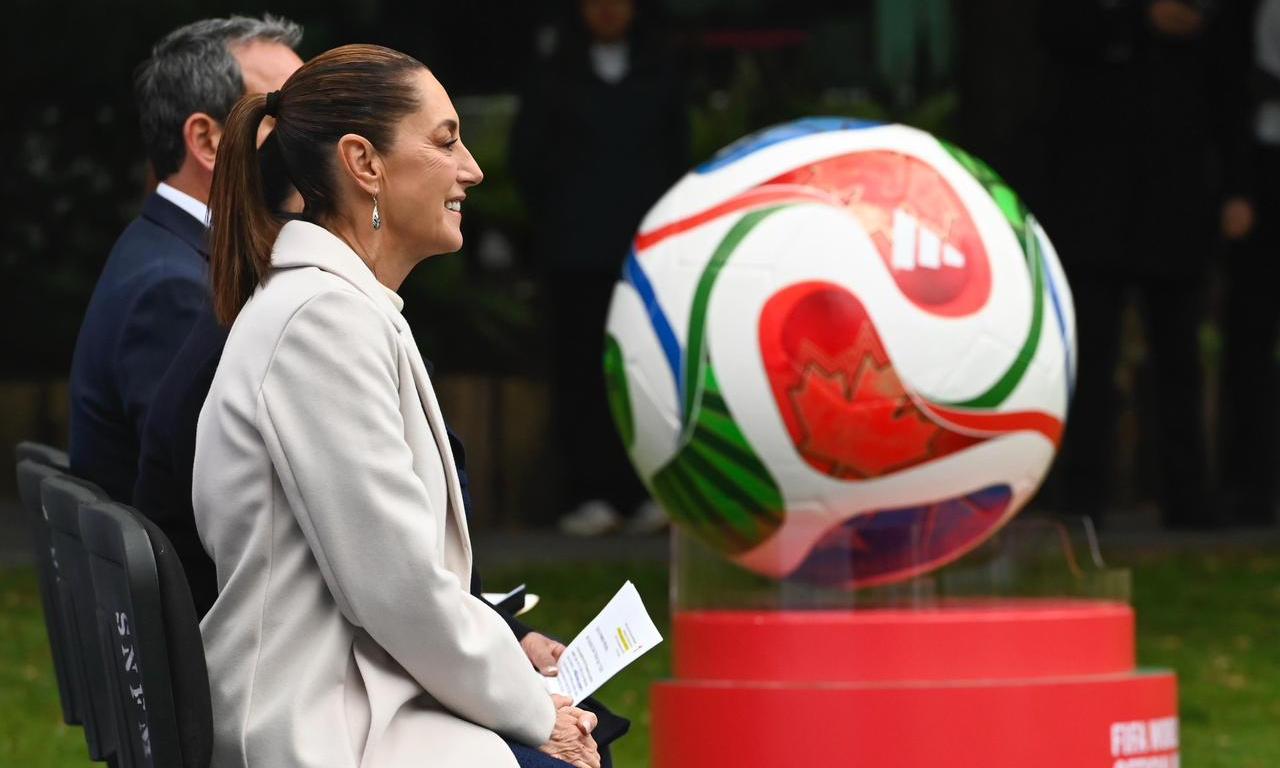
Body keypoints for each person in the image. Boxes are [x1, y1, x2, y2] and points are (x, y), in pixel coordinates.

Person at [195, 44, 602, 768]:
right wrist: (533, 708)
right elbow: (397, 588)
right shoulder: (320, 321)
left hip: (360, 696)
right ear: (365, 163)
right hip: (322, 724)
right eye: (446, 141)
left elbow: (398, 584)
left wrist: (526, 692)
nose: (471, 169)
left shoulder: (334, 306)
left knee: (595, 727)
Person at [68, 15, 303, 501]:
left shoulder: (162, 250)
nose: (315, 139)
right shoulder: (176, 287)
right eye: (286, 117)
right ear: (207, 140)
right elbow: (214, 498)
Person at [511, 0, 688, 535]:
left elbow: (677, 159)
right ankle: (586, 495)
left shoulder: (662, 74)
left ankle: (644, 493)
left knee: (645, 374)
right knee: (580, 377)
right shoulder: (552, 77)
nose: (609, 10)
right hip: (574, 259)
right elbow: (529, 162)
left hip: (644, 261)